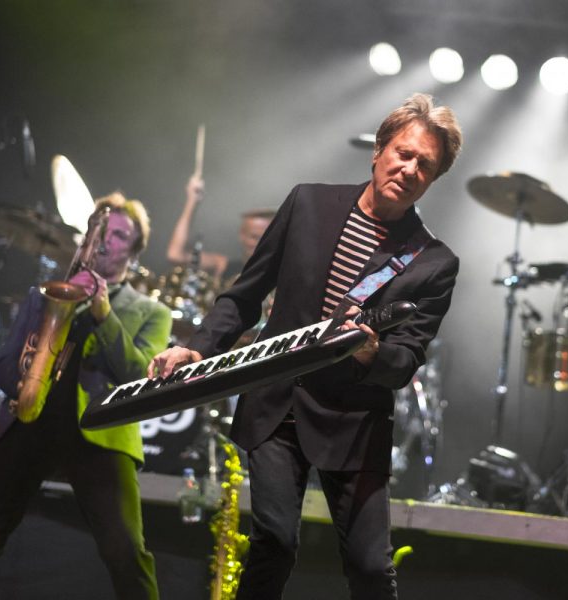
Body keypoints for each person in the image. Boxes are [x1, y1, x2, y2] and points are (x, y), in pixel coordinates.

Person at [148, 93, 462, 599]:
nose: (409, 168)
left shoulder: (432, 262)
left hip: (353, 423)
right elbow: (245, 294)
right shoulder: (308, 203)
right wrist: (199, 349)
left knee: (369, 568)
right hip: (277, 403)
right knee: (274, 541)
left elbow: (406, 360)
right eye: (403, 153)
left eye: (424, 165)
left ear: (433, 179)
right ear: (379, 150)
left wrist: (369, 352)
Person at [0, 193, 171, 599]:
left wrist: (104, 313)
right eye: (100, 231)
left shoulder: (150, 311)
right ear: (86, 237)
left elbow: (138, 373)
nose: (106, 241)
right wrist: (23, 381)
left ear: (135, 251)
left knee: (126, 552)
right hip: (27, 422)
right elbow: (1, 365)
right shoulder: (43, 295)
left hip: (98, 433)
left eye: (120, 235)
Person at [166, 173, 275, 282]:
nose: (260, 244)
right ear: (242, 235)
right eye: (254, 237)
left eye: (265, 238)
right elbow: (175, 255)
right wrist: (192, 201)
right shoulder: (222, 265)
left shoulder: (280, 273)